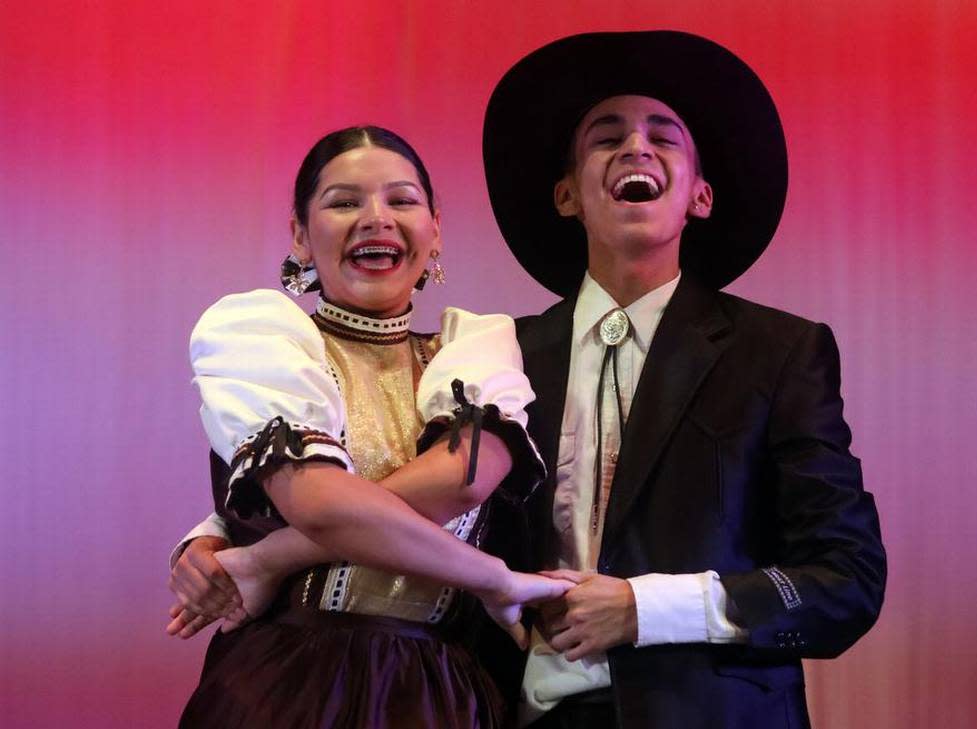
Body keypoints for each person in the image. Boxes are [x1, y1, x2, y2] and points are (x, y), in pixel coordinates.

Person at [478, 31, 888, 728]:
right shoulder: (500, 352)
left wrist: (646, 609)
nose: (635, 148)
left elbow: (844, 580)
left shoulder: (779, 351)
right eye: (606, 138)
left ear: (699, 196)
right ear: (568, 194)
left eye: (662, 137)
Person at [169, 125, 570, 728]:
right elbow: (320, 502)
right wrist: (495, 580)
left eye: (401, 200)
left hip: (442, 692)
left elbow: (462, 481)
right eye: (344, 202)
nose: (376, 218)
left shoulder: (476, 348)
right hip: (287, 682)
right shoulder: (259, 339)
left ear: (435, 232)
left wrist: (269, 558)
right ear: (301, 236)